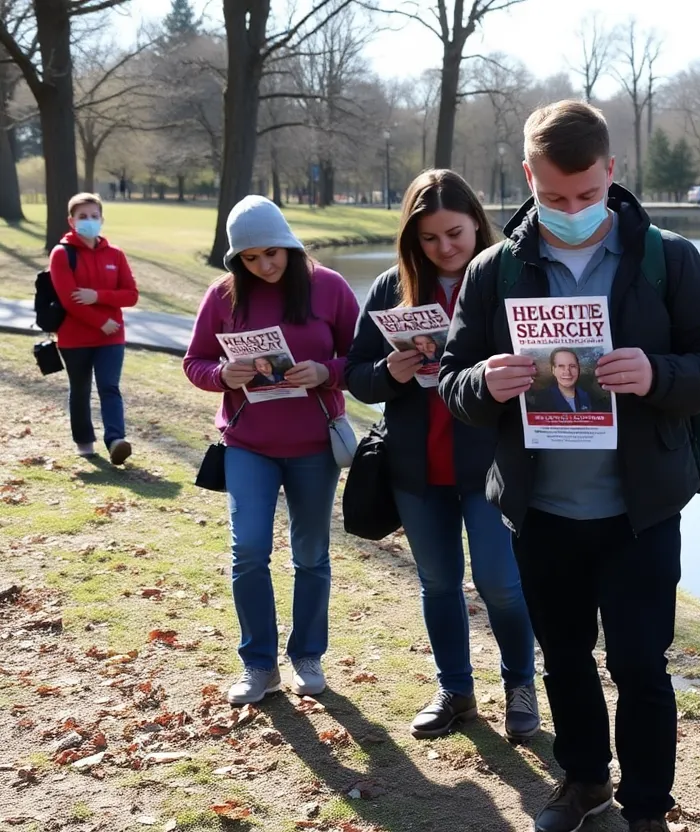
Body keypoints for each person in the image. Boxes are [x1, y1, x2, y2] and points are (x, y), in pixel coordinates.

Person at [438, 101, 700, 832]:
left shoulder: (669, 258)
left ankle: (645, 807)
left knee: (641, 665)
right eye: (552, 198)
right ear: (527, 178)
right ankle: (583, 781)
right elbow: (452, 383)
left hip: (639, 511)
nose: (571, 211)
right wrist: (488, 382)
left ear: (612, 171)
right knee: (564, 657)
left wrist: (657, 374)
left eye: (586, 194)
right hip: (541, 511)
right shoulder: (494, 269)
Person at [345, 169, 540, 742]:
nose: (445, 248)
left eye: (455, 233)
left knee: (502, 583)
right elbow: (356, 374)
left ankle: (519, 686)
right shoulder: (391, 288)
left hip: (490, 465)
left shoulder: (509, 279)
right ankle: (455, 690)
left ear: (477, 224)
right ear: (412, 241)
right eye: (429, 239)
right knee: (438, 582)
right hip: (416, 466)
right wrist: (389, 371)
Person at [183, 195, 360, 705]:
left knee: (310, 554)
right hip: (248, 445)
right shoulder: (223, 295)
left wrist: (327, 370)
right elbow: (195, 361)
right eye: (251, 258)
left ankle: (307, 655)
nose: (264, 265)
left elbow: (362, 358)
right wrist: (222, 375)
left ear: (289, 243)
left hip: (313, 444)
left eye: (272, 254)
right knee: (249, 551)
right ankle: (258, 665)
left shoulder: (329, 287)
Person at [49, 193, 139, 464]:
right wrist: (101, 321)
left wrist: (98, 296)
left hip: (112, 336)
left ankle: (115, 440)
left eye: (94, 216)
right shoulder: (62, 254)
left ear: (101, 219)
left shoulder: (116, 254)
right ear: (71, 220)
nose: (89, 221)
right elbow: (69, 300)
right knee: (80, 389)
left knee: (110, 387)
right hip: (74, 337)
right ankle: (84, 443)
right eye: (82, 216)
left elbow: (131, 295)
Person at [530, 348, 603, 413]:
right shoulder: (540, 400)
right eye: (561, 366)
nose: (567, 372)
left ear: (578, 369)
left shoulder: (593, 398)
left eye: (572, 366)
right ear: (553, 370)